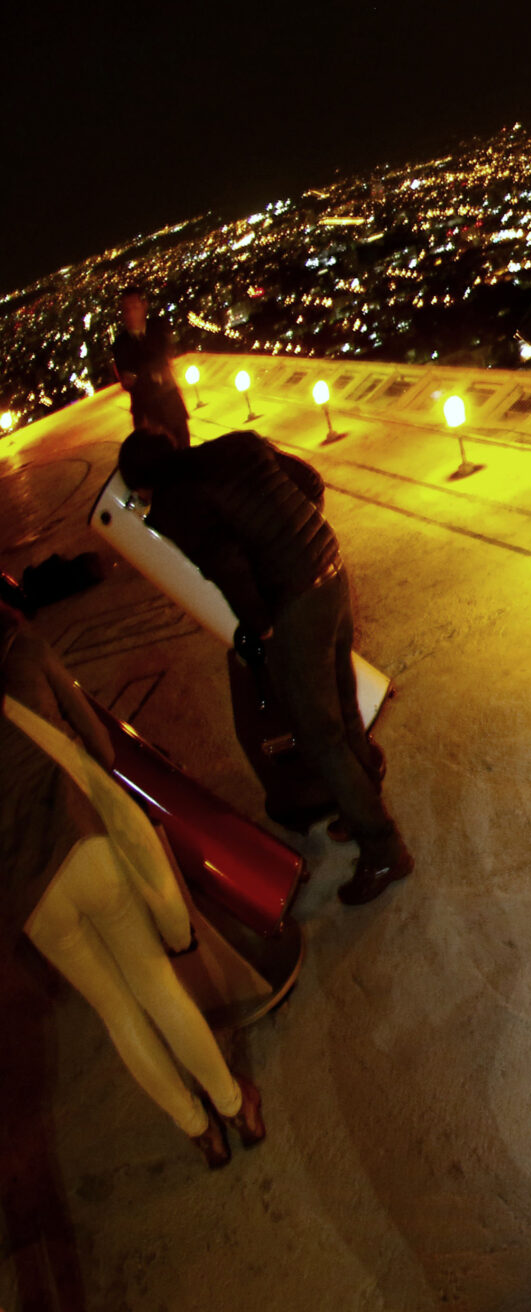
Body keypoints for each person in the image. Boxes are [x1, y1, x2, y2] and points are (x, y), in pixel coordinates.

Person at [2, 606, 265, 1168]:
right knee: (155, 984)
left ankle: (198, 1131)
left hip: (28, 894)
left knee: (116, 1011)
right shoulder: (24, 652)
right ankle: (234, 1104)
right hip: (82, 842)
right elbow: (99, 744)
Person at [114, 428, 411, 905]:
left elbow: (226, 566)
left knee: (320, 738)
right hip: (329, 564)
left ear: (145, 485)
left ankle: (383, 849)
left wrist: (262, 626)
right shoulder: (237, 444)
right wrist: (298, 540)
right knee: (342, 704)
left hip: (296, 602)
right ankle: (362, 802)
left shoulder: (174, 505)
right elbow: (309, 481)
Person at [109, 286, 191, 449]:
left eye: (135, 308)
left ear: (144, 306)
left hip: (171, 406)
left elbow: (163, 357)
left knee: (184, 450)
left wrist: (140, 374)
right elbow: (127, 381)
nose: (130, 314)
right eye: (126, 310)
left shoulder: (158, 327)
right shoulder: (119, 344)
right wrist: (152, 373)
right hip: (146, 415)